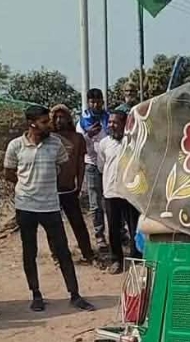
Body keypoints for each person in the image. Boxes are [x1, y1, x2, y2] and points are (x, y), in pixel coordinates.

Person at [4, 105, 96, 312]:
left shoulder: (56, 144)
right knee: (30, 252)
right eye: (44, 122)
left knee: (63, 251)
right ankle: (36, 295)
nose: (49, 125)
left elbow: (62, 166)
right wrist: (28, 184)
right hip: (26, 206)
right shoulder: (15, 146)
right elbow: (9, 173)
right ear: (32, 123)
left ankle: (75, 295)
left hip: (51, 206)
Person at [98, 109, 142, 274]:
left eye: (115, 122)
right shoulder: (104, 143)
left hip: (130, 192)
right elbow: (101, 165)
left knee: (134, 227)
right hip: (111, 192)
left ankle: (137, 259)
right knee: (113, 229)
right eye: (110, 122)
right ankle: (116, 260)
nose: (111, 125)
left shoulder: (134, 143)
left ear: (125, 124)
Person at [50, 104, 95, 264]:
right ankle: (57, 255)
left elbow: (80, 164)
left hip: (69, 188)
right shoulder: (48, 139)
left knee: (77, 223)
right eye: (56, 117)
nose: (59, 120)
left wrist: (79, 185)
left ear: (68, 119)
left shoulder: (77, 138)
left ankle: (87, 253)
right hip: (51, 189)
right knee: (53, 225)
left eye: (62, 117)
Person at [77, 88, 108, 249]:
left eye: (98, 101)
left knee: (113, 200)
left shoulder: (109, 119)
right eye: (92, 102)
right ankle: (99, 235)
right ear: (88, 103)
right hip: (92, 165)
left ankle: (120, 233)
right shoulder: (82, 122)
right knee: (95, 203)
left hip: (109, 165)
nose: (95, 104)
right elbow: (79, 144)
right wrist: (88, 134)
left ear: (102, 101)